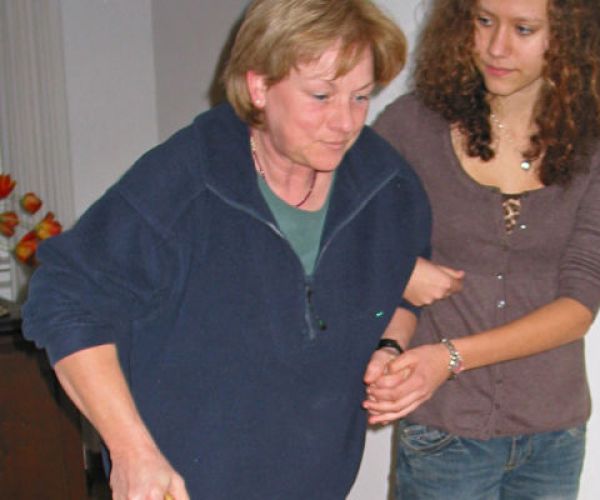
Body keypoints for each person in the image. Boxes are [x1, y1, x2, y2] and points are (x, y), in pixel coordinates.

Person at [22, 1, 430, 498]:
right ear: (259, 87)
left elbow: (402, 287)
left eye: (360, 97)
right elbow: (66, 297)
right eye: (321, 96)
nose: (345, 122)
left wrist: (390, 347)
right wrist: (132, 452)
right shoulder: (184, 182)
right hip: (182, 487)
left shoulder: (386, 187)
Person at [363, 0, 600, 498]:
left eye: (524, 29)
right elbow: (341, 236)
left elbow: (581, 303)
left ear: (572, 37)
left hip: (554, 434)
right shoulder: (410, 126)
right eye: (484, 20)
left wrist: (449, 358)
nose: (495, 47)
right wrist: (398, 278)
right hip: (445, 432)